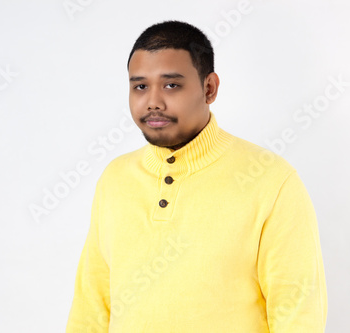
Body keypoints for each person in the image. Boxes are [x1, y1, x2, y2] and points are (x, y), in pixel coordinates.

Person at [65, 20, 327, 332]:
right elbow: (91, 305)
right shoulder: (115, 178)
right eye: (140, 86)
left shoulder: (272, 180)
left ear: (209, 88)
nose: (153, 102)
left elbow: (298, 315)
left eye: (171, 85)